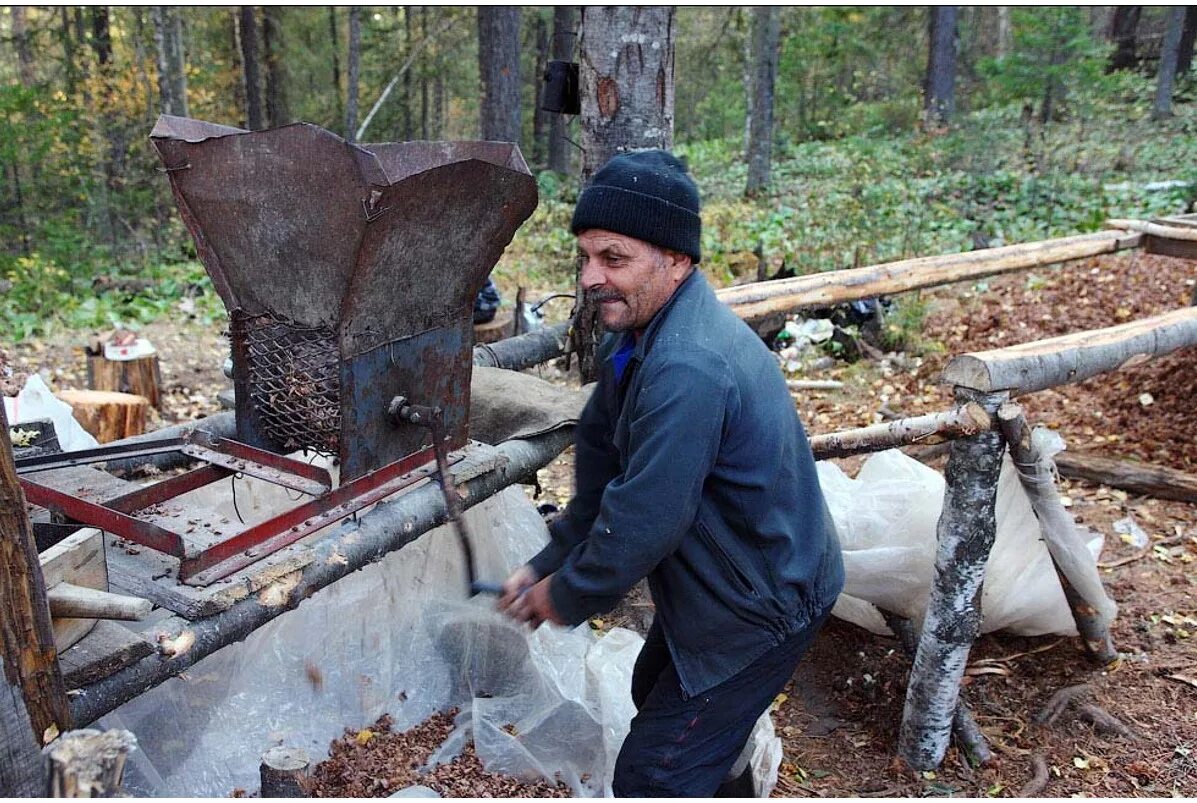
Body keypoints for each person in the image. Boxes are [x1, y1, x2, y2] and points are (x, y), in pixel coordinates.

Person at [498, 150, 844, 797]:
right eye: (585, 257)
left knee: (654, 774)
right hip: (734, 576)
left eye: (614, 258)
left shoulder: (687, 365)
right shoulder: (632, 341)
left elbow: (645, 519)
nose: (590, 277)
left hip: (765, 598)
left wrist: (562, 596)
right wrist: (547, 563)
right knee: (651, 694)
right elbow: (602, 478)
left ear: (677, 259)